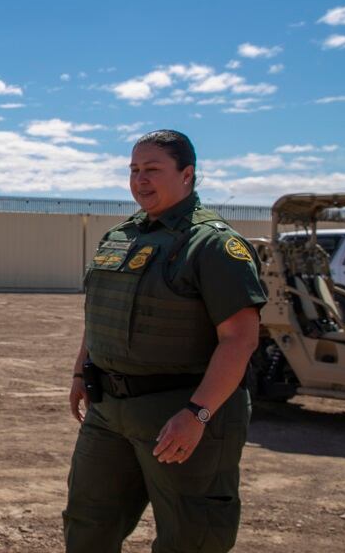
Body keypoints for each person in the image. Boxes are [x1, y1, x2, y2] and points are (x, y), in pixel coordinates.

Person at [63, 130, 266, 553]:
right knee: (88, 526)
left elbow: (240, 340)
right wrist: (83, 369)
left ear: (187, 174)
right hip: (110, 411)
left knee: (190, 537)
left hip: (180, 413)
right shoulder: (122, 237)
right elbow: (98, 310)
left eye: (152, 170)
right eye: (134, 170)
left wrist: (198, 413)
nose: (140, 180)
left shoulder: (213, 245)